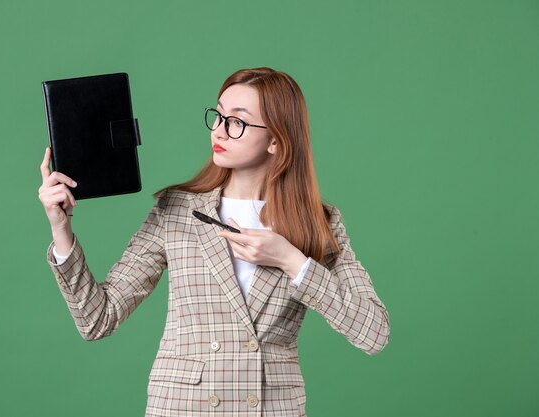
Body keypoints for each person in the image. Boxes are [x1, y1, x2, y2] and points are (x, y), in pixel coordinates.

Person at [38, 67, 389, 417]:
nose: (219, 131)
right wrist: (61, 229)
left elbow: (373, 333)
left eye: (237, 121)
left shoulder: (318, 222)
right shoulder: (176, 209)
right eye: (218, 115)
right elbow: (97, 319)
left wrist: (291, 260)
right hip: (183, 407)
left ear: (276, 140)